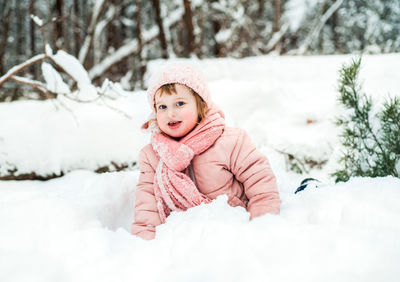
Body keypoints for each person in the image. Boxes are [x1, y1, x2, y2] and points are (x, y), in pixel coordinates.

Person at [131, 64, 281, 240]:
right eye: (162, 107)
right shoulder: (152, 155)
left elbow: (260, 181)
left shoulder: (230, 141)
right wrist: (145, 243)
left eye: (179, 103)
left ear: (200, 105)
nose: (170, 113)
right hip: (185, 240)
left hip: (233, 232)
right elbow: (148, 205)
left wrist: (262, 224)